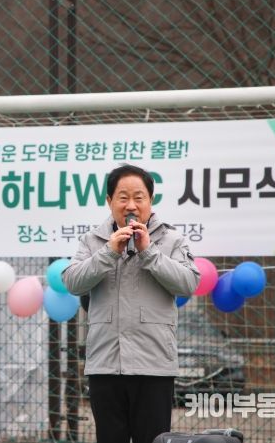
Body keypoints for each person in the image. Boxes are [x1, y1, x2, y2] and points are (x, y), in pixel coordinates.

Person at [62, 164, 200, 443]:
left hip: (153, 365)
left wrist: (149, 251)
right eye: (123, 197)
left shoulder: (171, 240)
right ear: (109, 201)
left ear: (150, 200)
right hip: (105, 365)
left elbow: (188, 283)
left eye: (139, 197)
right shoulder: (93, 240)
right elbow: (73, 282)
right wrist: (108, 252)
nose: (131, 205)